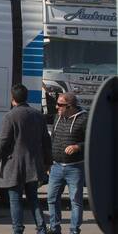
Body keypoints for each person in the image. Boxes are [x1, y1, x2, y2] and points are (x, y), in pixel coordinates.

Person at [0, 84, 52, 234]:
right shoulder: (38, 115)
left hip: (14, 164)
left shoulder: (10, 116)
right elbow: (46, 141)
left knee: (15, 200)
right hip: (33, 164)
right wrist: (47, 162)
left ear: (13, 99)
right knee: (33, 199)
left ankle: (18, 229)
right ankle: (41, 229)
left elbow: (2, 142)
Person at [47, 92, 88, 234]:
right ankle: (54, 228)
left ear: (69, 106)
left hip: (75, 167)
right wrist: (49, 161)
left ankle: (74, 230)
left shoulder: (84, 119)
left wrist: (78, 147)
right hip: (56, 166)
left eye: (60, 104)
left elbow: (92, 140)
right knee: (51, 199)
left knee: (75, 201)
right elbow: (53, 139)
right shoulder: (58, 117)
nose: (56, 107)